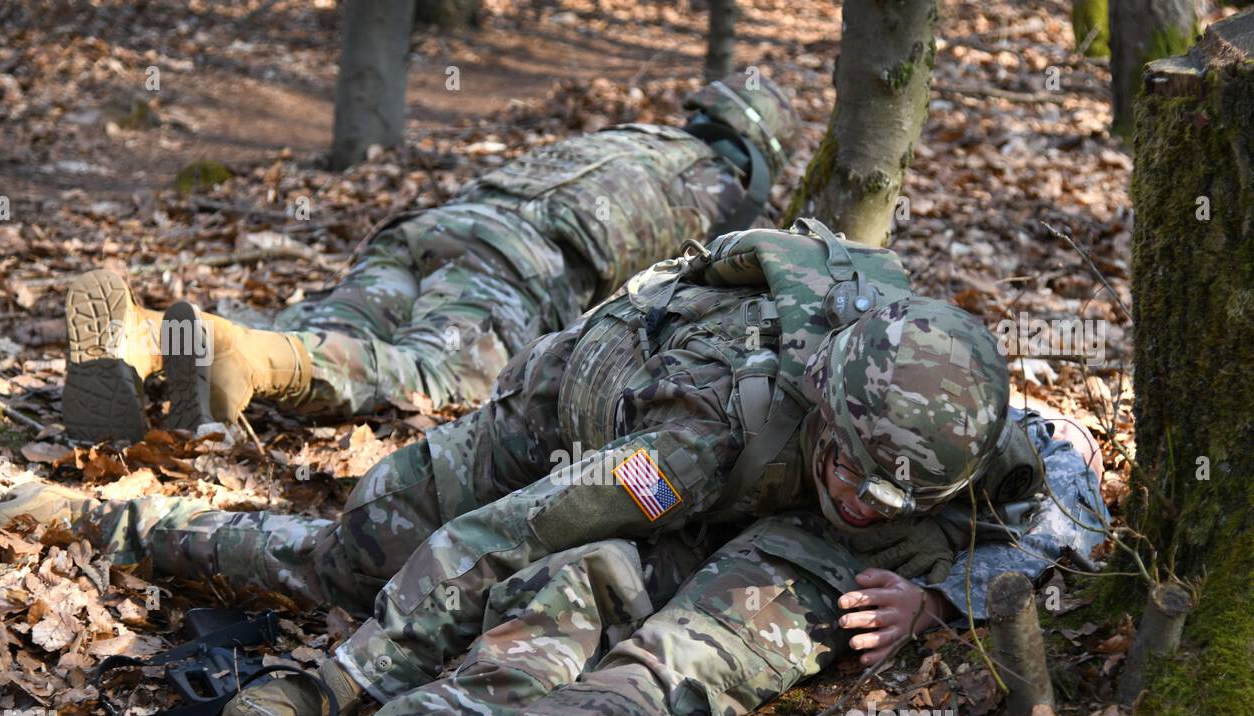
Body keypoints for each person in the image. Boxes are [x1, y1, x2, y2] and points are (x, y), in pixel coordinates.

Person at [0, 222, 1108, 716]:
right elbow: (501, 530)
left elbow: (1074, 497)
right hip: (554, 428)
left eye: (901, 495)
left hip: (743, 522)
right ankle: (98, 519)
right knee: (356, 558)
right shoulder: (704, 426)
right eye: (854, 473)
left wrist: (941, 593)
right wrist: (339, 673)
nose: (868, 507)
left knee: (636, 618)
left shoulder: (972, 425)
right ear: (820, 413)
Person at [60, 72, 800, 443]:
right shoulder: (723, 194)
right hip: (516, 262)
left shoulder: (630, 136)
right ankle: (243, 359)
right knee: (435, 374)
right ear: (757, 158)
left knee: (333, 322)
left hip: (430, 227)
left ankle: (147, 337)